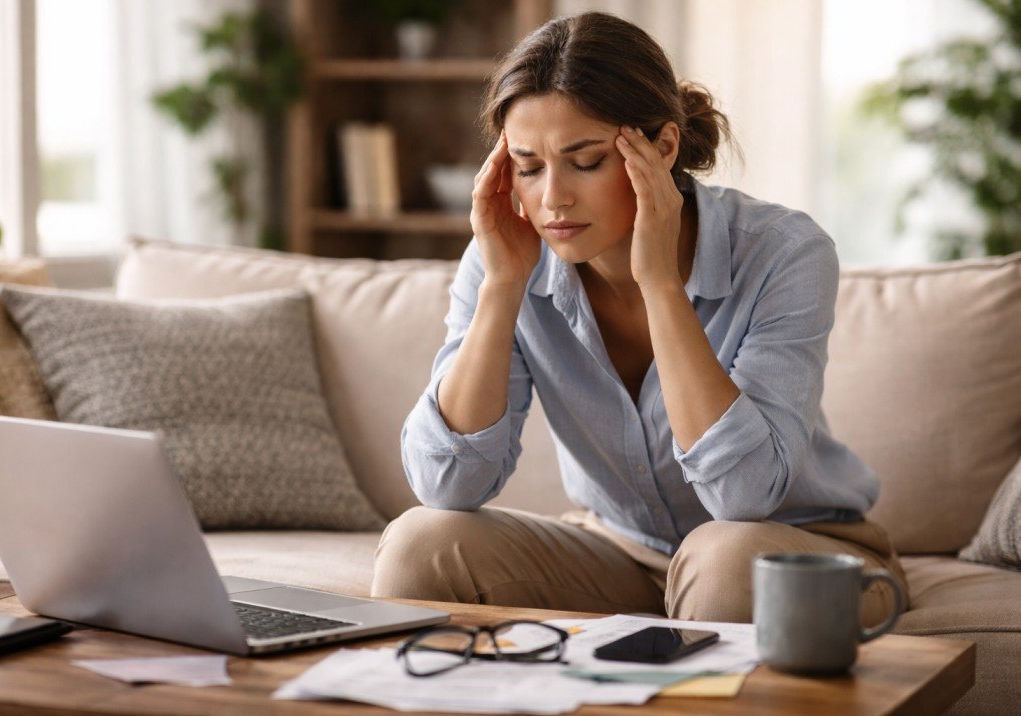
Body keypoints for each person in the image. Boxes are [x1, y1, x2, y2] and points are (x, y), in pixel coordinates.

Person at [371, 11, 908, 624]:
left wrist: (659, 283)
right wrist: (501, 287)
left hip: (792, 552)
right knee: (421, 545)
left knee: (725, 557)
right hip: (620, 553)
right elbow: (448, 486)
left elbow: (744, 495)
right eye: (528, 166)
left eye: (586, 161)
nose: (552, 200)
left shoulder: (784, 251)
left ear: (663, 146)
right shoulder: (505, 257)